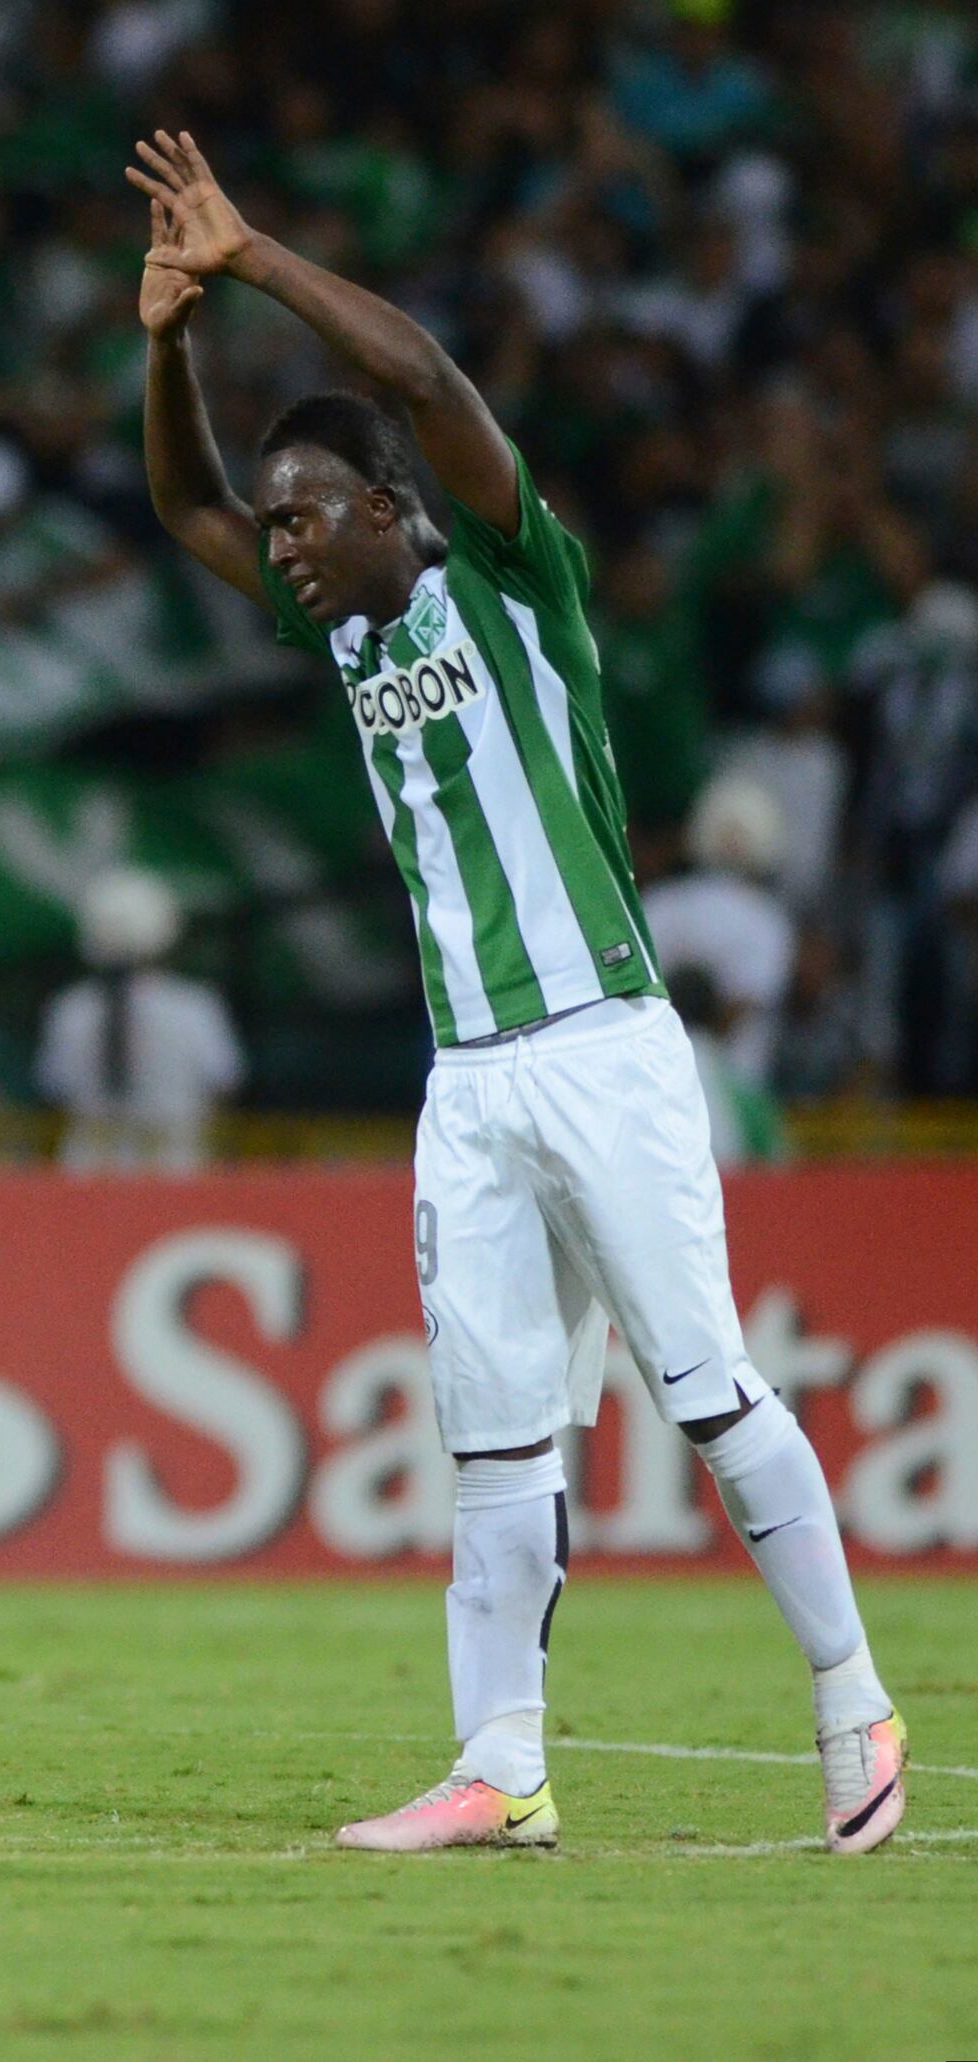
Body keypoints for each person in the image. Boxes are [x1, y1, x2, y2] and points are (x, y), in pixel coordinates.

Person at [131, 131, 904, 1855]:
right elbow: (183, 505)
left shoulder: (515, 582)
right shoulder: (340, 634)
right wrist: (168, 337)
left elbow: (421, 372)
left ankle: (856, 1706)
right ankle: (503, 1764)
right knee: (493, 1446)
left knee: (707, 1389)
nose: (288, 551)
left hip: (603, 1044)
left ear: (395, 508)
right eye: (281, 534)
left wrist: (252, 258)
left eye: (311, 517)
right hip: (469, 1073)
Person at [36, 867, 241, 1172]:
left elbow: (55, 1089)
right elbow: (224, 1084)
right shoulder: (195, 1007)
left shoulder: (72, 1009)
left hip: (88, 1172)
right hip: (175, 1171)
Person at [641, 774, 794, 1092]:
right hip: (733, 1085)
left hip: (658, 1080)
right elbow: (744, 1005)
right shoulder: (766, 922)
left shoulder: (660, 903)